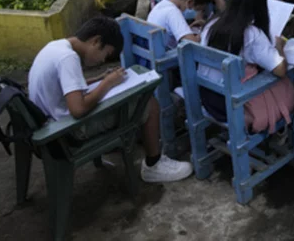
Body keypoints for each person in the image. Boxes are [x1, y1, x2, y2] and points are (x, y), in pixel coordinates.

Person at [28, 17, 194, 182]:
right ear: (96, 41)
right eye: (105, 54)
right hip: (66, 132)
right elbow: (78, 109)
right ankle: (154, 164)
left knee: (129, 98)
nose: (102, 61)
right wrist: (107, 84)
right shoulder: (68, 58)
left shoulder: (56, 47)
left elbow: (67, 87)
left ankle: (130, 149)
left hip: (49, 125)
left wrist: (99, 79)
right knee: (149, 103)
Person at [197, 0, 294, 132]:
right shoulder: (251, 34)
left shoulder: (212, 23)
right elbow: (280, 70)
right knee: (289, 87)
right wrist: (280, 47)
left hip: (208, 97)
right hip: (232, 104)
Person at [147, 0, 214, 49]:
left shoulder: (161, 5)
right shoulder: (173, 13)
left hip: (154, 50)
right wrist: (205, 32)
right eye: (196, 9)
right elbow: (193, 45)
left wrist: (189, 28)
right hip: (166, 57)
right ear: (190, 2)